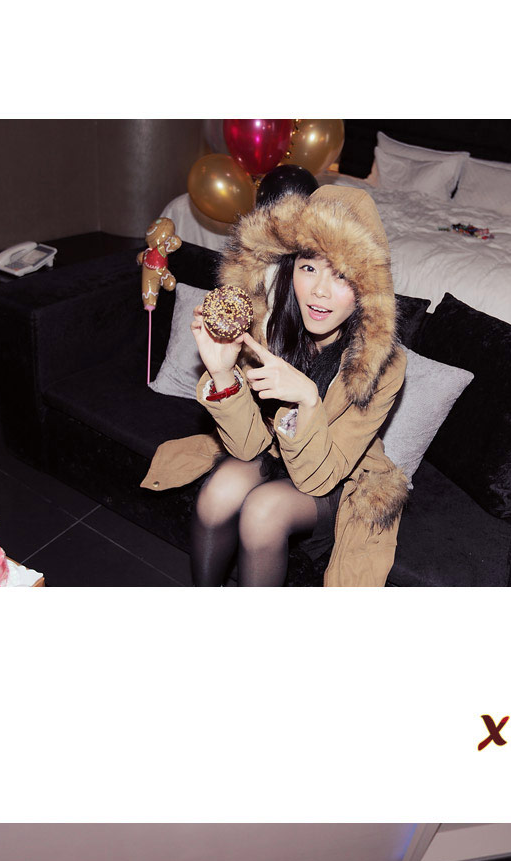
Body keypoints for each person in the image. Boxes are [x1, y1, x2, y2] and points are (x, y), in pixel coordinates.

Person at [143, 175, 407, 593]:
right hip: (270, 449)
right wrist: (223, 375)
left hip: (334, 474)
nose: (319, 291)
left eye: (341, 275)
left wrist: (307, 399)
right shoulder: (266, 326)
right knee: (218, 493)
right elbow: (247, 446)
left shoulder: (382, 365)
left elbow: (318, 480)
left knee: (263, 511)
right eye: (308, 267)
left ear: (366, 288)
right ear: (290, 267)